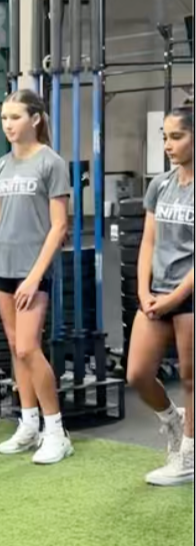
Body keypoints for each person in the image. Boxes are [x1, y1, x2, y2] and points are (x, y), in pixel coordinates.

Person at [0, 89, 72, 465]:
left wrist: (35, 277)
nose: (8, 125)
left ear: (35, 119)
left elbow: (58, 226)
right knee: (17, 349)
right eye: (3, 119)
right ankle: (28, 423)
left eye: (14, 117)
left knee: (30, 347)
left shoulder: (51, 163)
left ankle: (56, 430)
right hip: (2, 268)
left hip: (33, 270)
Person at [126, 104, 194, 487]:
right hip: (157, 292)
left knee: (190, 378)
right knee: (137, 372)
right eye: (165, 137)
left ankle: (188, 455)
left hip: (189, 293)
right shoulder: (160, 185)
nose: (168, 145)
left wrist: (173, 298)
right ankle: (173, 421)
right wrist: (143, 290)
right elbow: (148, 242)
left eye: (177, 136)